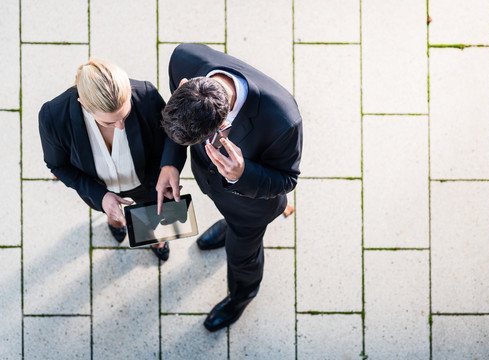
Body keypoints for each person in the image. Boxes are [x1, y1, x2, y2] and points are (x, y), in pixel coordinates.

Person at [156, 43, 303, 331]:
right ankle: (226, 226)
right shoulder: (183, 60)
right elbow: (178, 117)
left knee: (242, 257)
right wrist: (170, 163)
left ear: (223, 125)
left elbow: (287, 179)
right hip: (209, 182)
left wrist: (242, 174)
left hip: (251, 207)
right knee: (224, 218)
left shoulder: (284, 120)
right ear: (185, 84)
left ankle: (241, 297)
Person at [39, 59, 171, 261]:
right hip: (98, 186)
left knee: (153, 222)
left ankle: (154, 238)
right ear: (83, 105)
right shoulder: (53, 116)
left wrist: (161, 181)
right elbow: (58, 165)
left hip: (146, 180)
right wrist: (100, 196)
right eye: (108, 122)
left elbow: (165, 143)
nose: (120, 127)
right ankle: (115, 222)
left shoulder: (146, 95)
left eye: (125, 116)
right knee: (114, 213)